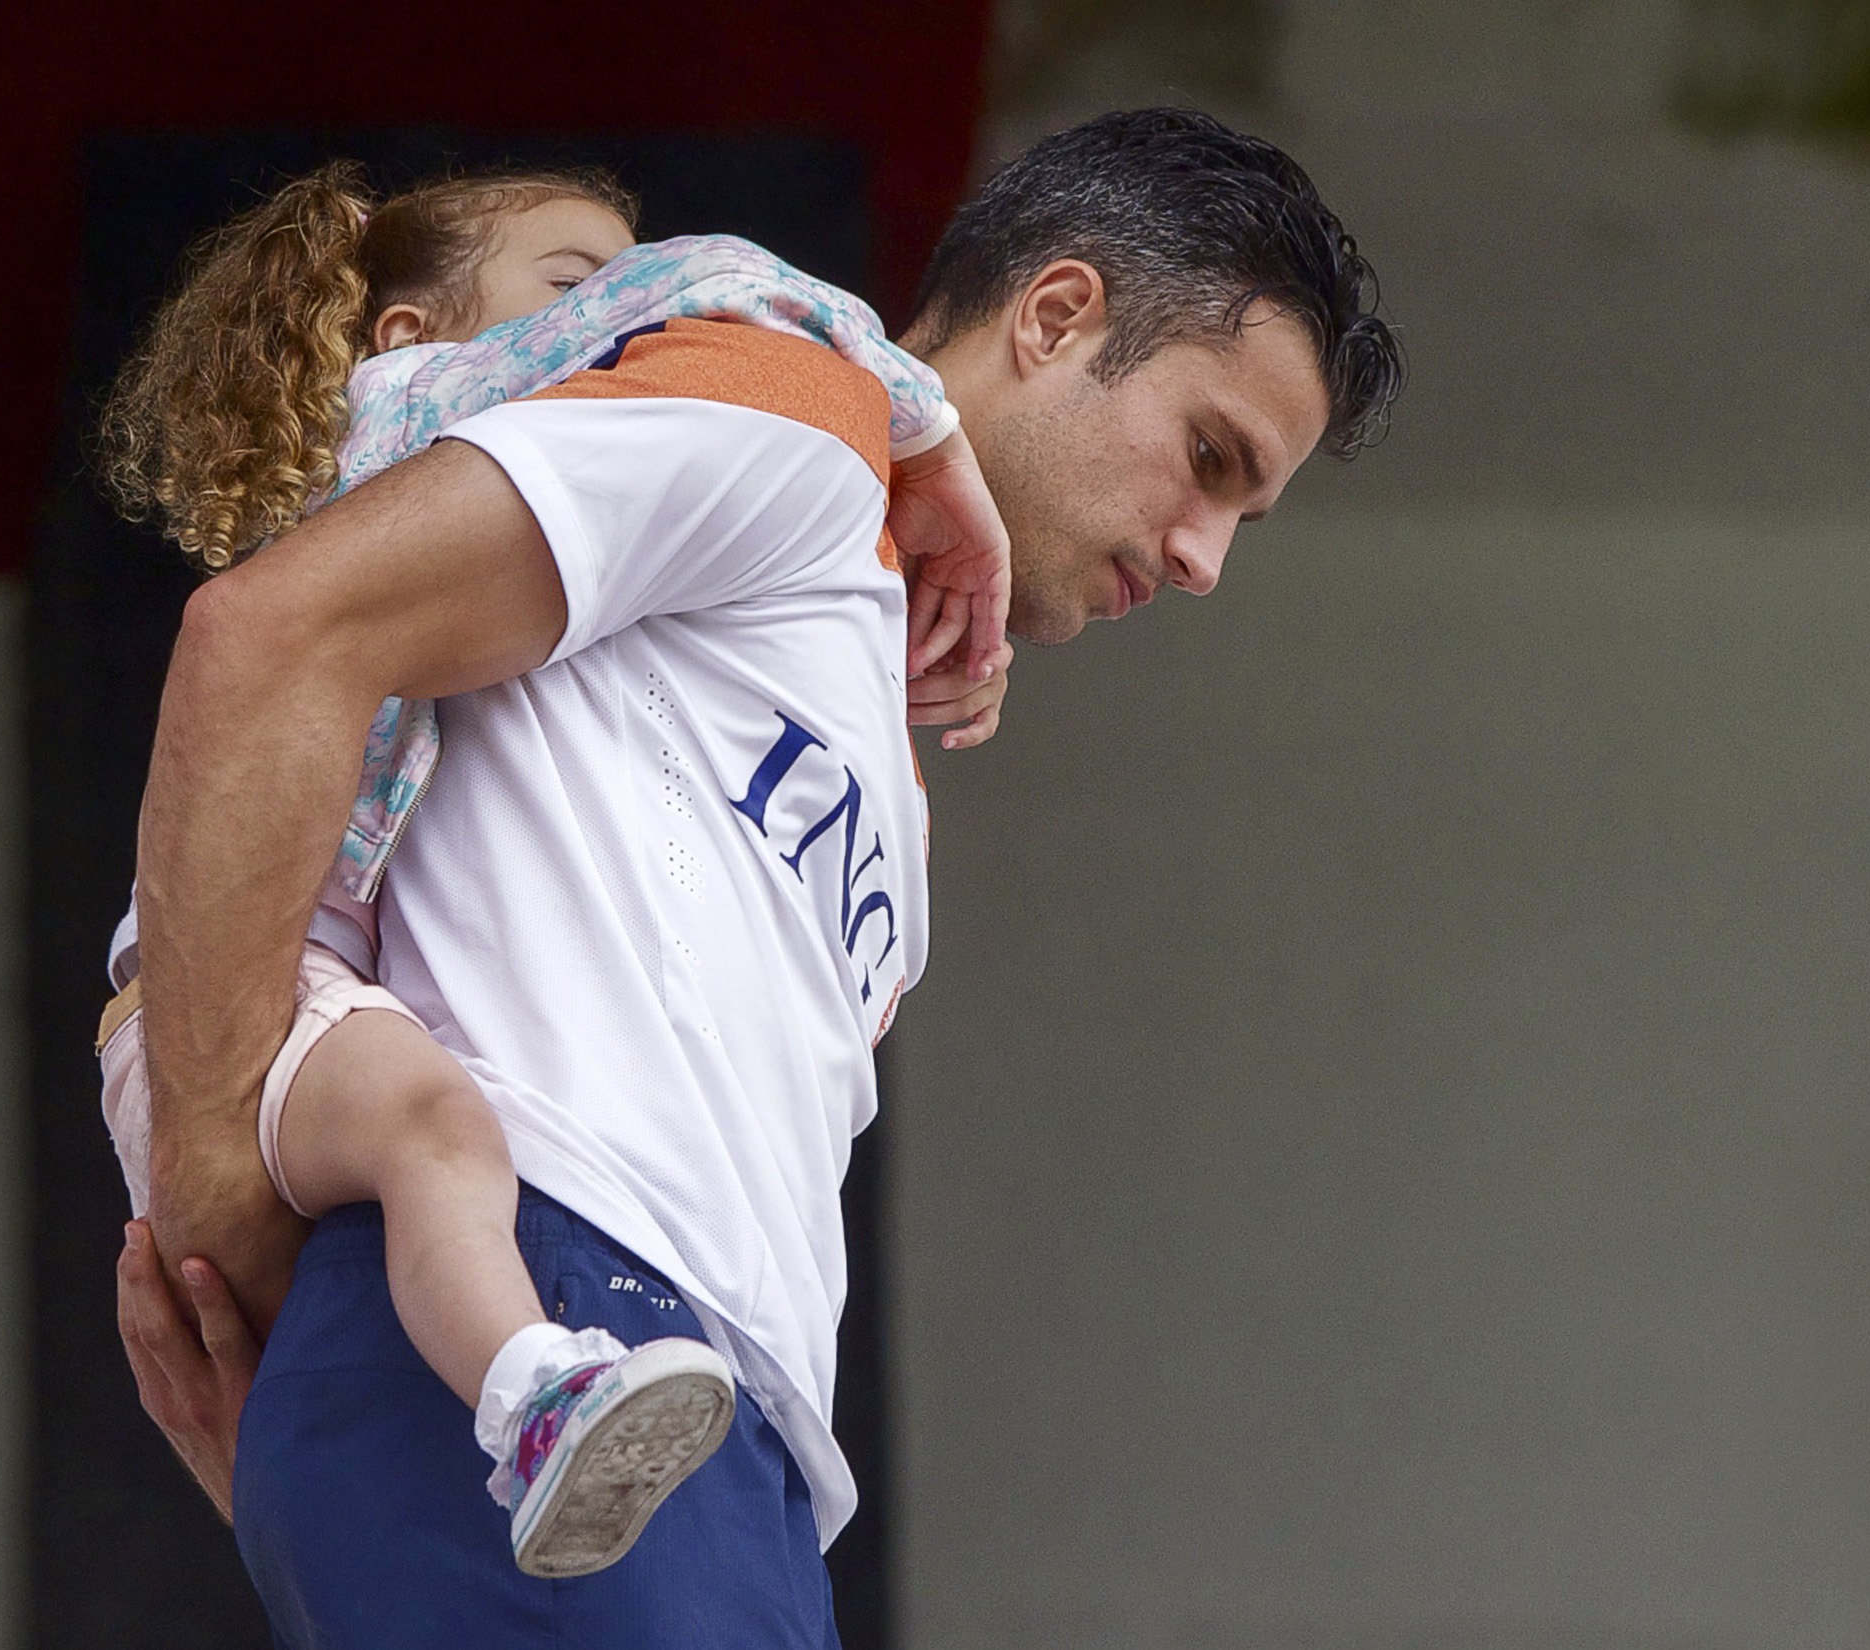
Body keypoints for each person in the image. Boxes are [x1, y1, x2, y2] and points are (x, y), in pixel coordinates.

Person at [117, 108, 1404, 1647]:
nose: (1203, 558)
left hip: (730, 1469)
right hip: (563, 1285)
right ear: (1057, 316)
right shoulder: (793, 411)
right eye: (1207, 459)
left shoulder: (885, 750)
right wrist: (218, 1209)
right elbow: (271, 639)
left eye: (1240, 518)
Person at [93, 164, 1016, 1575]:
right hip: (299, 1008)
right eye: (577, 281)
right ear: (410, 332)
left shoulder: (559, 477)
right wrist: (920, 423)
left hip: (710, 1375)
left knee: (430, 1143)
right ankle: (530, 1381)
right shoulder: (428, 407)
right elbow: (722, 282)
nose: (628, 306)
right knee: (439, 1137)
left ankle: (529, 1387)